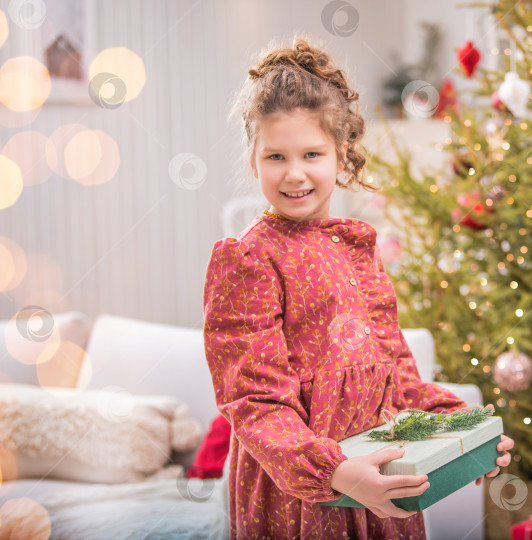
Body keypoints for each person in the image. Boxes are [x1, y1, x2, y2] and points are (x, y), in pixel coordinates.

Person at [203, 38, 514, 540]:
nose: (295, 172)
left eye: (312, 153)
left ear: (341, 153)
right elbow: (254, 402)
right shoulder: (247, 259)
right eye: (276, 156)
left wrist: (463, 432)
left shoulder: (355, 250)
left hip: (382, 480)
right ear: (254, 157)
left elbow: (398, 377)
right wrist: (332, 472)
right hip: (298, 492)